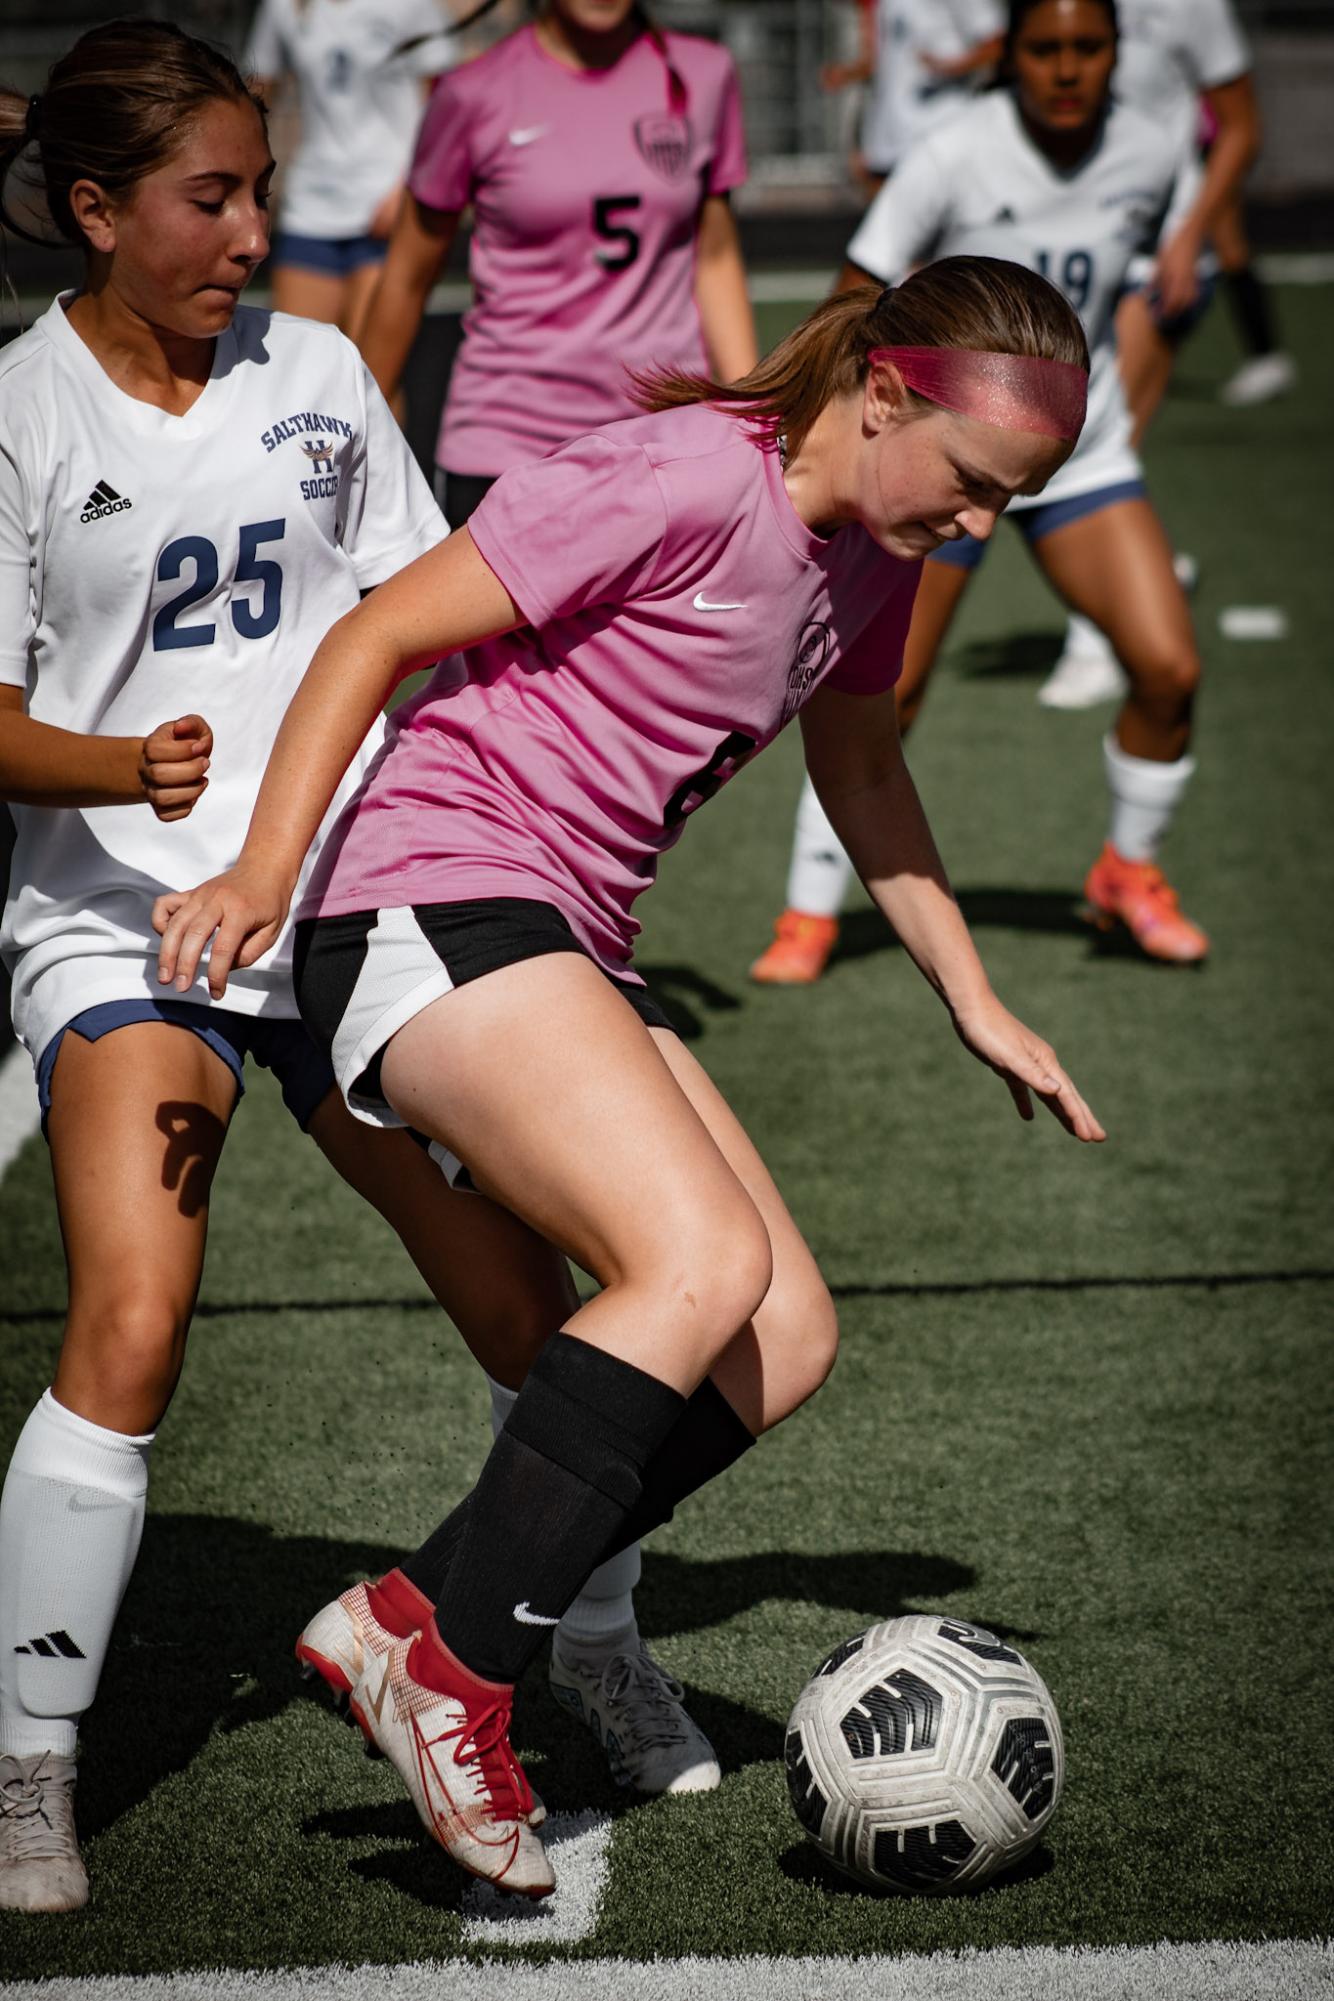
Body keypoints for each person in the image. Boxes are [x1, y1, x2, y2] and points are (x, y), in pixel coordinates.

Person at [154, 254, 1107, 1899]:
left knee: (782, 1332)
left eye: (1001, 507)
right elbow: (382, 629)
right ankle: (455, 1664)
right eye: (968, 488)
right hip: (426, 892)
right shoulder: (676, 476)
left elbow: (860, 759)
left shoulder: (862, 550)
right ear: (882, 394)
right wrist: (259, 865)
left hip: (563, 931)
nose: (969, 529)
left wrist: (969, 989)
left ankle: (419, 1620)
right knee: (697, 1264)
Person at [0, 18, 689, 1921]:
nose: (249, 235)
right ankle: (29, 1765)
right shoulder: (21, 410)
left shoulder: (317, 371)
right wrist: (119, 768)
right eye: (206, 199)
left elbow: (411, 615)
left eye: (260, 197)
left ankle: (580, 1646)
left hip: (342, 905)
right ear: (94, 211)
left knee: (537, 1307)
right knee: (134, 1315)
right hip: (123, 925)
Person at [751, 0, 1210, 988]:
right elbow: (853, 295)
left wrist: (1119, 411)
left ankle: (1127, 871)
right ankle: (808, 909)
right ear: (1008, 53)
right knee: (885, 690)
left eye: (1087, 48)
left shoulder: (1150, 148)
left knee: (1167, 669)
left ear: (1116, 53)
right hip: (946, 462)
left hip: (1078, 460)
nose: (1065, 68)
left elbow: (1149, 294)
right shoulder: (951, 152)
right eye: (1043, 48)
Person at [355, 0, 757, 531]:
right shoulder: (472, 92)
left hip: (669, 451)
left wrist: (754, 423)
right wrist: (349, 437)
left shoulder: (703, 75)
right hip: (507, 458)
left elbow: (715, 257)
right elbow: (406, 279)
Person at [1042, 0, 1291, 708]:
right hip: (1077, 240)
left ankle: (1095, 643)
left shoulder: (1192, 7)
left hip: (1156, 255)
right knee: (1065, 439)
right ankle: (1149, 576)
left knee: (1098, 439)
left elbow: (1241, 127)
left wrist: (1189, 235)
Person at [245, 0, 451, 343]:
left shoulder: (414, 6)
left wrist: (407, 189)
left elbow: (443, 103)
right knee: (296, 362)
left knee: (372, 373)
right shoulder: (281, 6)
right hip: (311, 204)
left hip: (385, 205)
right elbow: (257, 94)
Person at [822, 0, 1004, 199]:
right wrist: (848, 74)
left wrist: (950, 68)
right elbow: (883, 60)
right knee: (885, 220)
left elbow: (996, 44)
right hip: (888, 139)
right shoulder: (886, 5)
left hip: (937, 130)